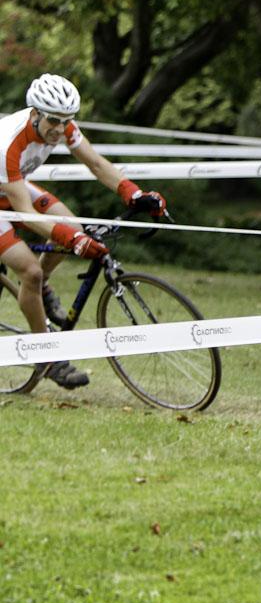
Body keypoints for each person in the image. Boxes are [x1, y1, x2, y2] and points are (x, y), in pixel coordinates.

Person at [1, 74, 168, 389]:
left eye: (66, 121)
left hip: (12, 188)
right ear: (34, 113)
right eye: (53, 120)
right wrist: (73, 242)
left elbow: (96, 164)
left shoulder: (62, 126)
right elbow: (25, 212)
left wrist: (134, 194)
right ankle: (46, 356)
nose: (60, 129)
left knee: (72, 226)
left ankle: (42, 290)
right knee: (30, 271)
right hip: (8, 197)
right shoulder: (8, 143)